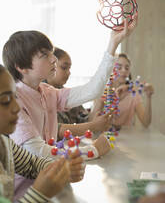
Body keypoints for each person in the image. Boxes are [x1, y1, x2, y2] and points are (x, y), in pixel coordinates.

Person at [2, 16, 137, 200]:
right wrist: (93, 151)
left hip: (53, 181)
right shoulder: (16, 100)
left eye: (52, 54)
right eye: (45, 55)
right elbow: (37, 153)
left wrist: (113, 43)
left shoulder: (47, 92)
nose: (53, 60)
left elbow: (91, 90)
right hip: (25, 192)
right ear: (21, 67)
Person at [0, 64, 85, 203]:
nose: (16, 107)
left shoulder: (4, 143)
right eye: (5, 101)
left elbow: (32, 164)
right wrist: (39, 193)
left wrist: (62, 169)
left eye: (15, 97)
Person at [92, 53, 154, 128]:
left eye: (127, 68)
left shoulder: (133, 94)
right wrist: (102, 99)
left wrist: (149, 97)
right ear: (111, 70)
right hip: (103, 137)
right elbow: (91, 123)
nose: (124, 70)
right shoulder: (102, 91)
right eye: (119, 67)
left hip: (126, 138)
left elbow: (146, 123)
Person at [46, 47, 94, 124]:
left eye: (69, 68)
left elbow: (85, 121)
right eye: (64, 68)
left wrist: (98, 102)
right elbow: (58, 131)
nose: (69, 73)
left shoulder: (67, 94)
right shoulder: (41, 94)